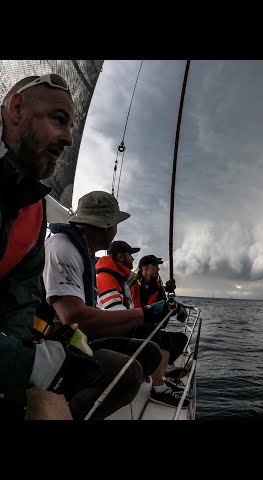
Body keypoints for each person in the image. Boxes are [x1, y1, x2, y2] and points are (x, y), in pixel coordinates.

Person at [43, 191, 175, 418]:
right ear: (106, 227)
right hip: (53, 346)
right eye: (115, 223)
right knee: (129, 374)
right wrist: (144, 314)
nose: (116, 230)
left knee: (151, 352)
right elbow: (74, 317)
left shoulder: (84, 254)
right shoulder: (63, 249)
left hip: (77, 340)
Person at [1, 73, 80, 419]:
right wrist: (25, 368)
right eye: (59, 120)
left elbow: (20, 305)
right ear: (16, 107)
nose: (67, 139)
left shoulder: (34, 211)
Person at [96, 241, 189, 408]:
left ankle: (160, 381)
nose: (133, 259)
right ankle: (158, 388)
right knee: (152, 334)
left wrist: (169, 305)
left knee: (172, 338)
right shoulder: (107, 278)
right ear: (120, 256)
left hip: (127, 325)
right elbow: (116, 314)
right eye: (130, 255)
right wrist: (148, 313)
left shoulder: (121, 278)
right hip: (112, 331)